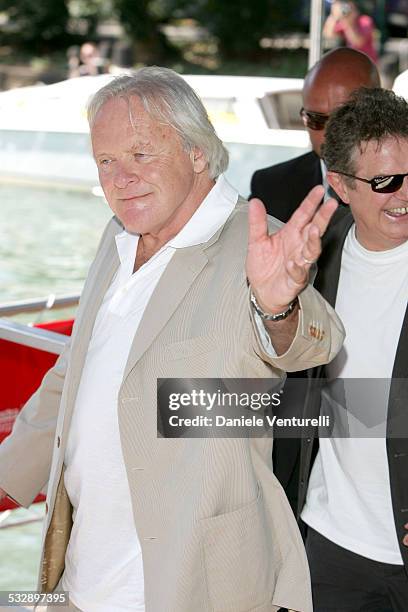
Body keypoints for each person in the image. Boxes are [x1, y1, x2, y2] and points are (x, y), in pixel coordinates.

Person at [0, 67, 344, 612]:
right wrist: (7, 475)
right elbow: (77, 368)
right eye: (106, 161)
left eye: (141, 154)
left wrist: (277, 305)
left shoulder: (255, 248)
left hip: (195, 585)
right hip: (84, 577)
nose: (121, 177)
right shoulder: (117, 238)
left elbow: (309, 345)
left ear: (197, 153)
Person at [297, 87, 408, 610]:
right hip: (331, 541)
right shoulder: (315, 258)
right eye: (385, 181)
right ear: (339, 185)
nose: (404, 193)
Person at [250, 47, 380, 223]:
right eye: (316, 119)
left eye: (345, 118)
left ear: (380, 111)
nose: (330, 132)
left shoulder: (401, 185)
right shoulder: (271, 187)